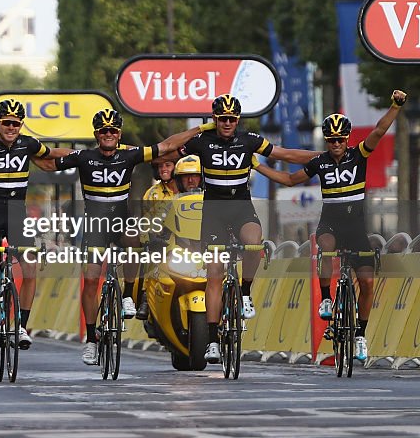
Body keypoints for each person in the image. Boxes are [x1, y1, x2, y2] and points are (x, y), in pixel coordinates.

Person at [35, 109, 212, 366]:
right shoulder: (84, 157)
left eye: (113, 130)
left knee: (133, 237)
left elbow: (167, 145)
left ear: (119, 134)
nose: (108, 134)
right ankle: (92, 342)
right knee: (92, 280)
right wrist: (23, 147)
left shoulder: (130, 155)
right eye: (104, 130)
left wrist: (201, 130)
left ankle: (129, 295)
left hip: (120, 220)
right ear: (97, 134)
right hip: (95, 224)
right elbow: (48, 160)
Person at [253, 90, 406, 362]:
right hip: (330, 225)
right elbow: (289, 180)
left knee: (368, 282)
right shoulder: (319, 162)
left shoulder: (358, 155)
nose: (335, 143)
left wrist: (395, 105)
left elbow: (380, 129)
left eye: (340, 139)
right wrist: (258, 166)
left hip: (356, 228)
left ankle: (359, 335)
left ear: (347, 139)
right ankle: (326, 297)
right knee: (325, 245)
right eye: (331, 139)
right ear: (326, 140)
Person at [182, 94, 317, 365]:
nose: (227, 123)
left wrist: (324, 156)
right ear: (215, 119)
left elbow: (285, 154)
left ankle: (245, 293)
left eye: (232, 119)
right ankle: (211, 340)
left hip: (242, 207)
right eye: (222, 119)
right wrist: (201, 128)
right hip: (214, 213)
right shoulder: (202, 142)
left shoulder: (249, 141)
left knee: (255, 242)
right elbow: (170, 147)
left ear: (238, 120)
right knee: (214, 275)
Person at [0, 99, 73, 350]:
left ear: (21, 125)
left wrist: (87, 154)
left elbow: (51, 155)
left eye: (16, 124)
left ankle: (21, 326)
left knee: (30, 268)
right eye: (6, 123)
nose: (11, 127)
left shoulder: (28, 143)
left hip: (17, 213)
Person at [135, 151, 180, 320]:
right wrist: (148, 239)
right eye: (160, 166)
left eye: (167, 165)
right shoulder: (151, 193)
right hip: (161, 242)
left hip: (186, 241)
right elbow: (145, 222)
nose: (163, 169)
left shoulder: (190, 190)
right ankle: (146, 297)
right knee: (151, 256)